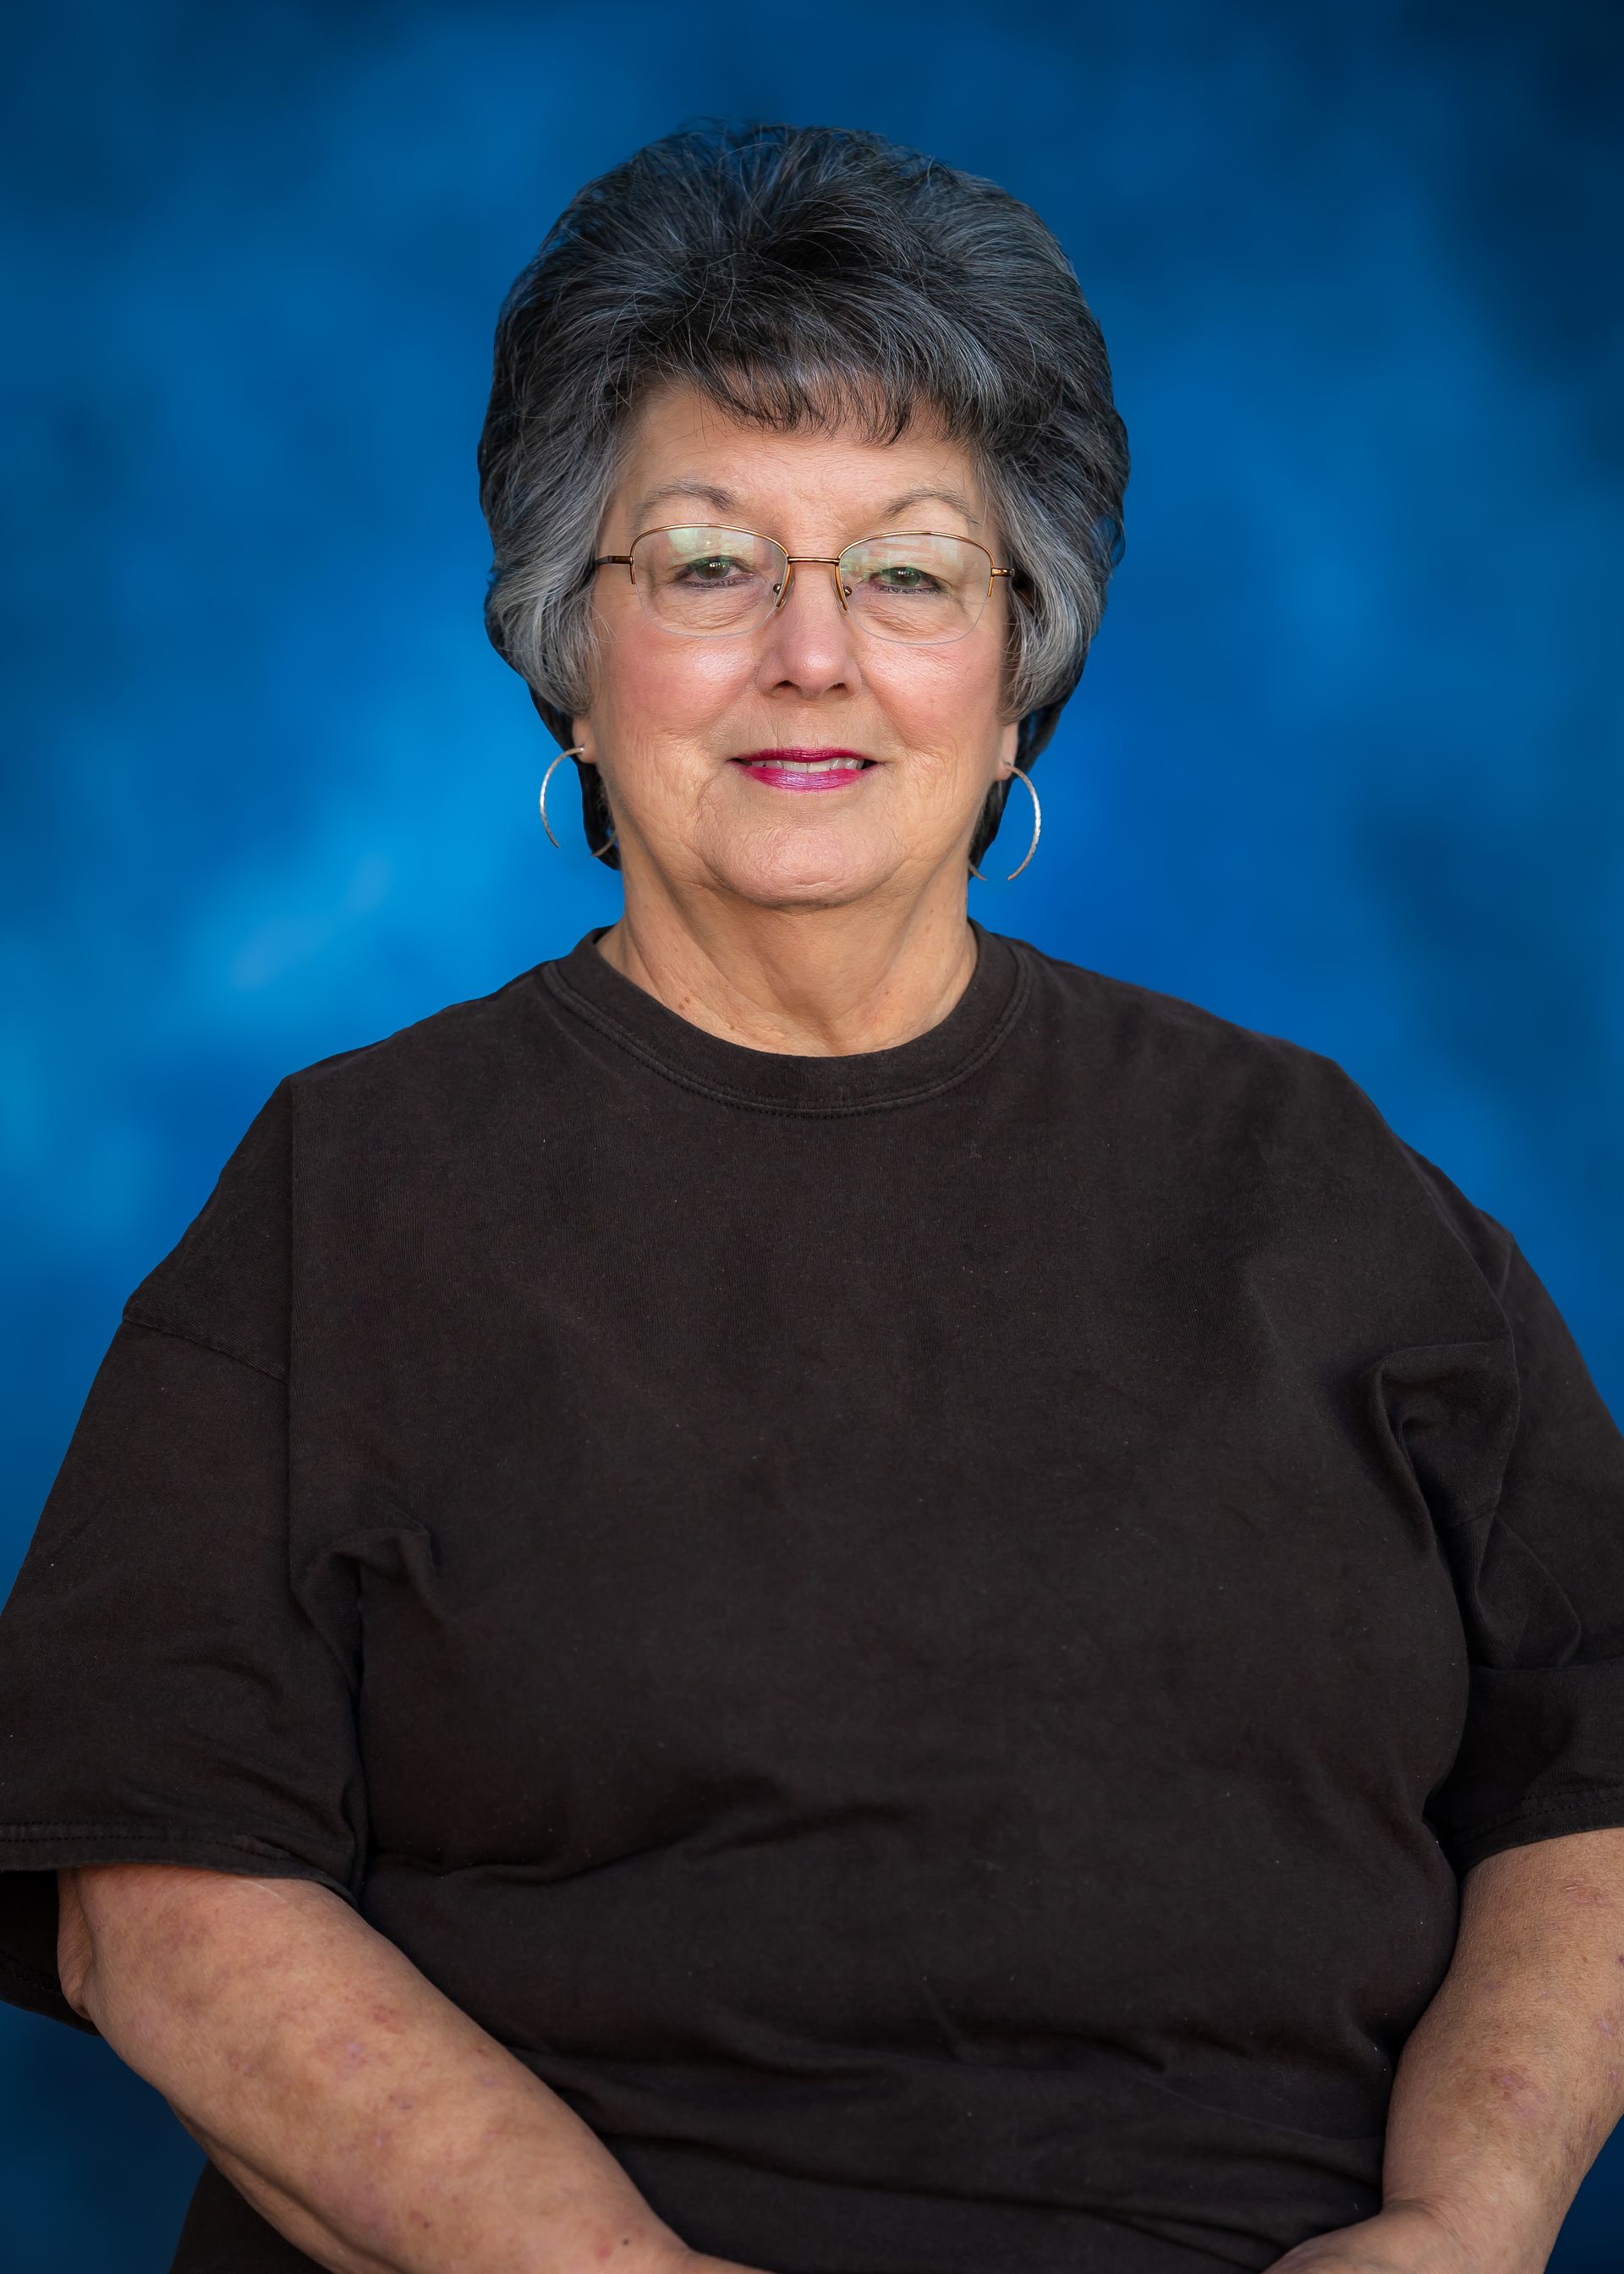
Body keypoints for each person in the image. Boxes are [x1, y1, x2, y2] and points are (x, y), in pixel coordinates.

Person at [1, 118, 1621, 2274]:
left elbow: (1593, 1774)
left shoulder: (1316, 1177)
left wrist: (1469, 2226)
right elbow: (157, 1891)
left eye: (907, 571)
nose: (810, 654)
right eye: (704, 564)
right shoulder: (349, 1194)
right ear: (569, 652)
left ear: (1018, 658)